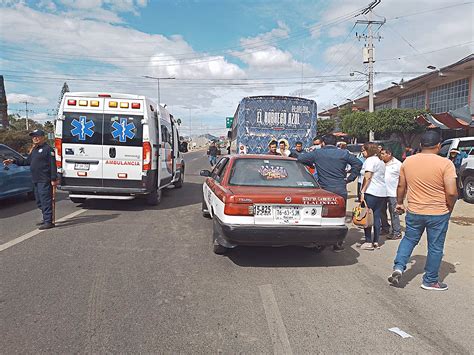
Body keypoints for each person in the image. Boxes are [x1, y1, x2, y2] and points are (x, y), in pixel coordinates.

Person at [388, 130, 458, 291]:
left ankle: (399, 267)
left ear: (420, 145)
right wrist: (450, 206)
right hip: (438, 212)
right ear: (439, 145)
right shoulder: (446, 164)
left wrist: (399, 203)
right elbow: (452, 192)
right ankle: (430, 280)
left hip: (414, 211)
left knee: (409, 240)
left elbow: (401, 186)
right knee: (435, 247)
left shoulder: (408, 162)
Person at [298, 134, 362, 252]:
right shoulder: (343, 153)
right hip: (340, 188)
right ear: (336, 143)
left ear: (322, 143)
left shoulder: (318, 153)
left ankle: (319, 240)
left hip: (324, 190)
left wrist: (312, 164)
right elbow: (358, 163)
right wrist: (350, 178)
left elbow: (300, 159)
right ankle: (338, 243)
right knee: (339, 216)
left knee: (320, 216)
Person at [3, 129, 58, 229]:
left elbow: (53, 165)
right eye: (33, 137)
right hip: (36, 179)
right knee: (39, 201)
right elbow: (27, 162)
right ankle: (45, 218)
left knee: (45, 200)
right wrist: (13, 161)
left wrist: (54, 178)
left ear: (42, 137)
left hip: (44, 179)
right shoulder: (35, 150)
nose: (35, 138)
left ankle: (48, 221)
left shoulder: (48, 149)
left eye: (37, 136)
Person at [359, 143, 387, 250]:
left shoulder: (370, 160)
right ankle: (376, 241)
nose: (362, 152)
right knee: (376, 216)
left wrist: (362, 191)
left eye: (363, 150)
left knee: (367, 216)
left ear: (368, 150)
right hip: (381, 192)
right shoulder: (380, 161)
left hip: (371, 191)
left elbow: (368, 176)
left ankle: (368, 241)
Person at [380, 148, 403, 240]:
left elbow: (403, 180)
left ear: (389, 154)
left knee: (394, 213)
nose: (381, 155)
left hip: (393, 193)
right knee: (382, 212)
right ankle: (385, 228)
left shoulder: (398, 164)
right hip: (381, 192)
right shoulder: (380, 163)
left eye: (382, 154)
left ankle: (396, 232)